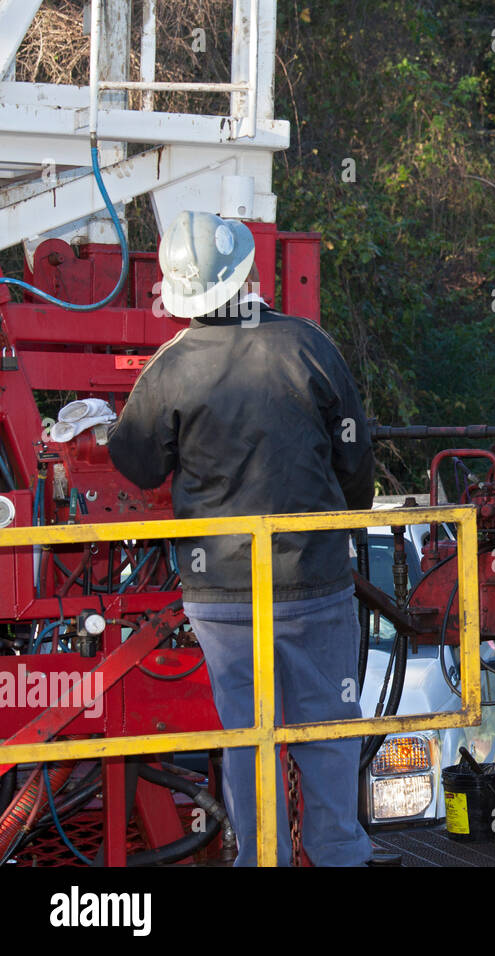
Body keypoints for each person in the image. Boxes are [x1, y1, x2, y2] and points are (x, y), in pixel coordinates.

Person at [108, 210, 375, 866]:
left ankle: (263, 858)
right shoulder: (309, 346)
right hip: (314, 579)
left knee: (248, 739)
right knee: (329, 732)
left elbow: (137, 462)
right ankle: (340, 854)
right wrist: (343, 520)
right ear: (249, 273)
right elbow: (356, 458)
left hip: (224, 596)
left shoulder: (171, 366)